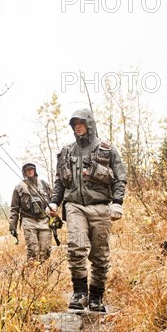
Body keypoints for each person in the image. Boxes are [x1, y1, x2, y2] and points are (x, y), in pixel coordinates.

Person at [49, 108, 127, 312]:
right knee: (76, 247)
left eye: (81, 122)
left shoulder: (107, 149)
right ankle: (80, 293)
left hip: (101, 207)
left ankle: (96, 297)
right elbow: (59, 182)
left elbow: (120, 178)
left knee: (100, 255)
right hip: (74, 206)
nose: (78, 126)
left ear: (90, 124)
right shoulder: (67, 151)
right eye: (74, 124)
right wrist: (54, 202)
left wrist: (118, 202)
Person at [9, 163, 53, 263]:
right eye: (28, 170)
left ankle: (44, 274)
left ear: (35, 170)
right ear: (24, 172)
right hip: (28, 221)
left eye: (32, 169)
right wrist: (12, 226)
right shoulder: (19, 187)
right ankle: (32, 272)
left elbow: (53, 200)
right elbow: (14, 208)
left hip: (44, 221)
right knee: (33, 250)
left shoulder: (44, 184)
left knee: (46, 250)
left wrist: (54, 212)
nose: (30, 171)